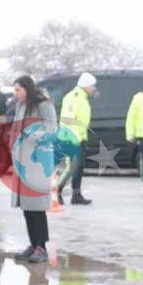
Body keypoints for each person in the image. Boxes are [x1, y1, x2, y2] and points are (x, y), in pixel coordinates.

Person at [10, 75, 57, 264]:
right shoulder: (21, 105)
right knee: (27, 207)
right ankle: (33, 243)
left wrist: (30, 135)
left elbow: (51, 130)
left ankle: (41, 247)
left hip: (38, 161)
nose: (16, 94)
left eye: (18, 90)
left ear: (27, 89)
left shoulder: (43, 104)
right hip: (23, 160)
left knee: (37, 208)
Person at [56, 72, 96, 205]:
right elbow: (68, 119)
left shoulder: (83, 98)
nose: (94, 88)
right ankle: (57, 191)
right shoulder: (73, 97)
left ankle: (76, 195)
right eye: (92, 85)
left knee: (78, 168)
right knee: (70, 168)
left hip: (80, 138)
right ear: (86, 85)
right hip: (72, 139)